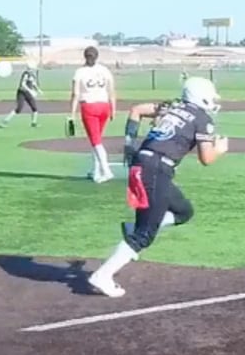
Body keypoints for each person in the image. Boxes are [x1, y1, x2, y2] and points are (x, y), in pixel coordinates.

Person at [85, 77, 228, 298]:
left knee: (183, 211)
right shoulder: (202, 119)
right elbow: (206, 158)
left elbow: (136, 110)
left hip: (143, 163)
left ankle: (133, 229)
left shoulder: (171, 106)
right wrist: (219, 149)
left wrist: (129, 144)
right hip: (156, 169)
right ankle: (103, 275)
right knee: (144, 236)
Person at [69, 46, 118, 182]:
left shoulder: (80, 72)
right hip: (104, 106)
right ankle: (95, 171)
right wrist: (113, 109)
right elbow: (112, 92)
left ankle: (106, 171)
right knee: (96, 140)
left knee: (96, 141)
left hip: (89, 107)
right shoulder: (105, 70)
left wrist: (72, 113)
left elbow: (75, 94)